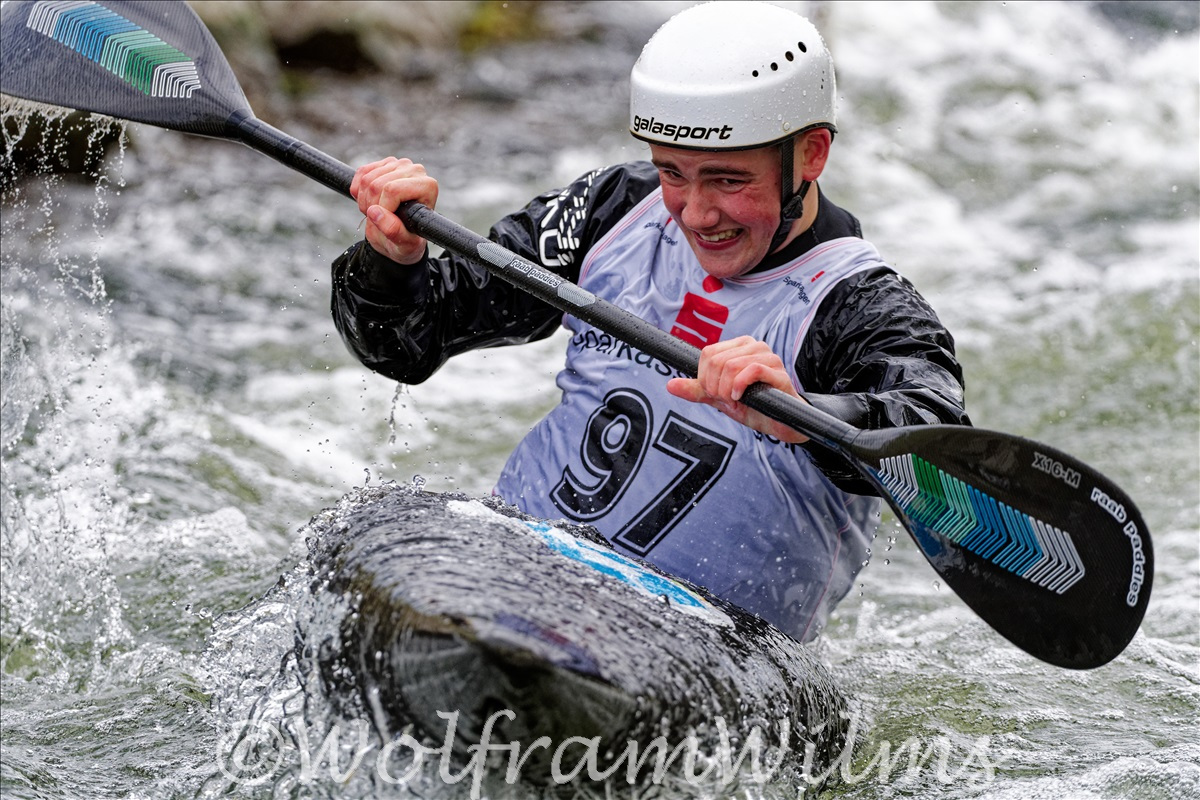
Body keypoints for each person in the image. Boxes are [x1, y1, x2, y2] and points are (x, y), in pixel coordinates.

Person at [330, 2, 970, 642]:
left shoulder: (861, 308)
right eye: (673, 173)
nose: (695, 213)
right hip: (519, 574)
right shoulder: (611, 211)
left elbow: (945, 461)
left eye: (727, 180)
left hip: (704, 644)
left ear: (811, 153)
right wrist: (393, 260)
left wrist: (807, 417)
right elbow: (405, 344)